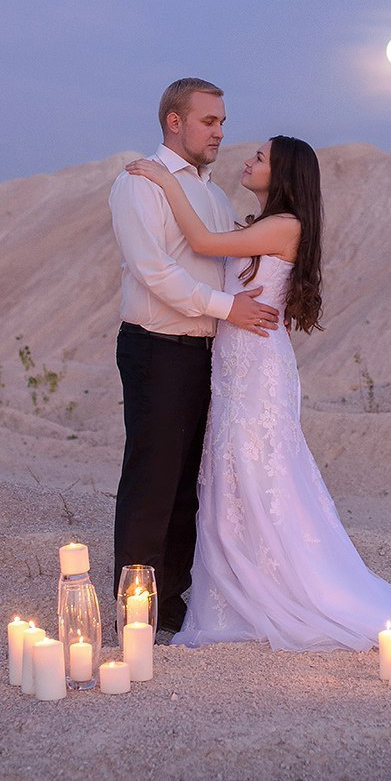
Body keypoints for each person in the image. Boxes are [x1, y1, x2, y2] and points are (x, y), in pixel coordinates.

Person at [125, 135, 391, 651]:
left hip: (257, 367)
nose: (249, 161)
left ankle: (277, 584)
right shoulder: (260, 225)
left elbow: (205, 244)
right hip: (234, 361)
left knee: (256, 469)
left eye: (261, 158)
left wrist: (166, 180)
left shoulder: (284, 225)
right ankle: (236, 586)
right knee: (229, 471)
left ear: (281, 176)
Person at [109, 78, 279, 631]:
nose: (221, 132)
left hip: (207, 354)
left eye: (223, 122)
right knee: (153, 478)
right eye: (210, 121)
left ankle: (173, 602)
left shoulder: (212, 193)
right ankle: (136, 610)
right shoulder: (139, 184)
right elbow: (155, 272)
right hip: (155, 348)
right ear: (174, 122)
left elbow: (220, 251)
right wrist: (228, 307)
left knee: (190, 484)